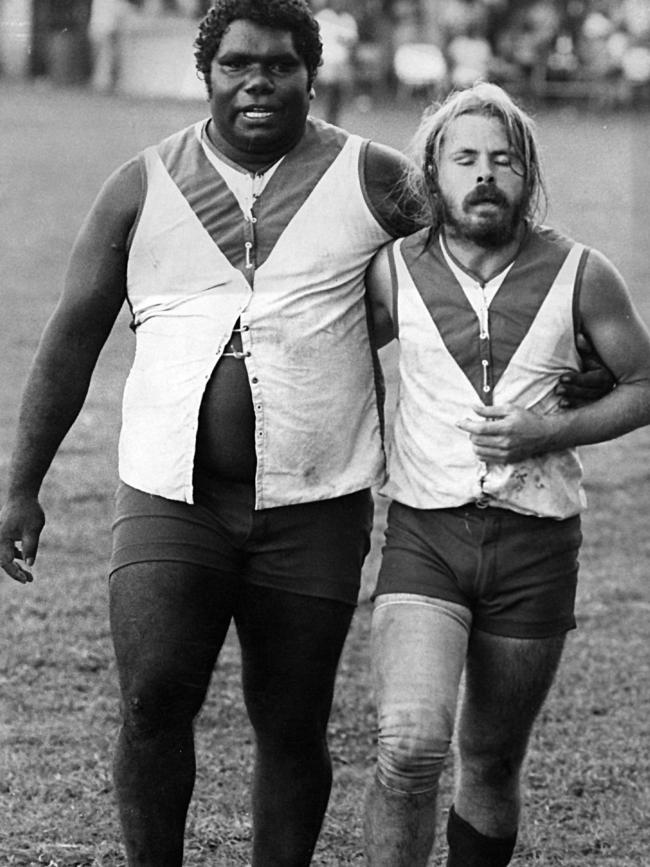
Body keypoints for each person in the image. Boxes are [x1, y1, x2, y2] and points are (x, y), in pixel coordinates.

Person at [0, 3, 607, 863]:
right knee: (151, 701)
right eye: (237, 64)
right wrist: (21, 484)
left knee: (291, 720)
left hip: (315, 503)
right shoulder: (141, 184)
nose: (258, 81)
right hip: (172, 497)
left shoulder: (371, 176)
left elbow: (490, 242)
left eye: (280, 65)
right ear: (204, 73)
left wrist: (567, 360)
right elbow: (71, 334)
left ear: (310, 75)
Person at [362, 82, 650, 867]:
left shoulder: (583, 273)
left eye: (504, 159)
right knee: (411, 744)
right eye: (465, 159)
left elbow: (644, 384)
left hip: (537, 545)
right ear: (432, 172)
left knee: (490, 758)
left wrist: (548, 431)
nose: (485, 174)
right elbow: (328, 350)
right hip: (426, 533)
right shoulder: (391, 271)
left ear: (529, 175)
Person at [313, 0, 359, 124]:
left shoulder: (348, 19)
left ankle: (333, 117)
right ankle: (324, 116)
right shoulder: (323, 16)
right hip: (325, 60)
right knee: (330, 88)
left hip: (342, 61)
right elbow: (315, 37)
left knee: (338, 91)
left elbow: (353, 41)